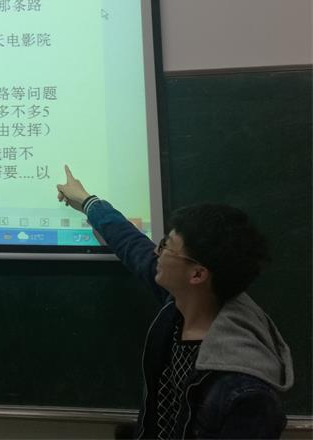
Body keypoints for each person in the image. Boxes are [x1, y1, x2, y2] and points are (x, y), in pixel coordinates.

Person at [56, 166, 293, 439]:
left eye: (166, 246)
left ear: (197, 274)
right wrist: (88, 202)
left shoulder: (246, 391)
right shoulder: (185, 302)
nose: (157, 252)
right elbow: (132, 244)